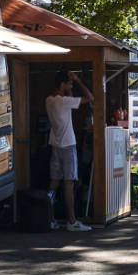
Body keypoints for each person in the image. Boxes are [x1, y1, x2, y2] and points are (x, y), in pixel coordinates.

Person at [45, 70, 94, 232]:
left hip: (55, 145)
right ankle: (71, 221)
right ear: (62, 84)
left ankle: (50, 219)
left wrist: (70, 87)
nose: (71, 85)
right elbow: (90, 97)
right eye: (69, 83)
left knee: (54, 183)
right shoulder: (64, 101)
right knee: (68, 184)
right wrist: (78, 80)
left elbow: (71, 100)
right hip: (68, 146)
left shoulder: (49, 100)